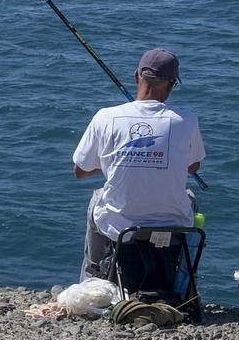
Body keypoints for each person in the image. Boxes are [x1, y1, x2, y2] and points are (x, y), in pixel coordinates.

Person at [72, 48, 205, 284]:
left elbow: (80, 171)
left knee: (97, 198)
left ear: (136, 77)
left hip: (121, 226)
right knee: (190, 197)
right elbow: (193, 167)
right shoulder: (186, 120)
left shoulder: (106, 117)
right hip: (173, 225)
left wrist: (111, 163)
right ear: (172, 84)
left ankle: (92, 279)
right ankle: (182, 280)